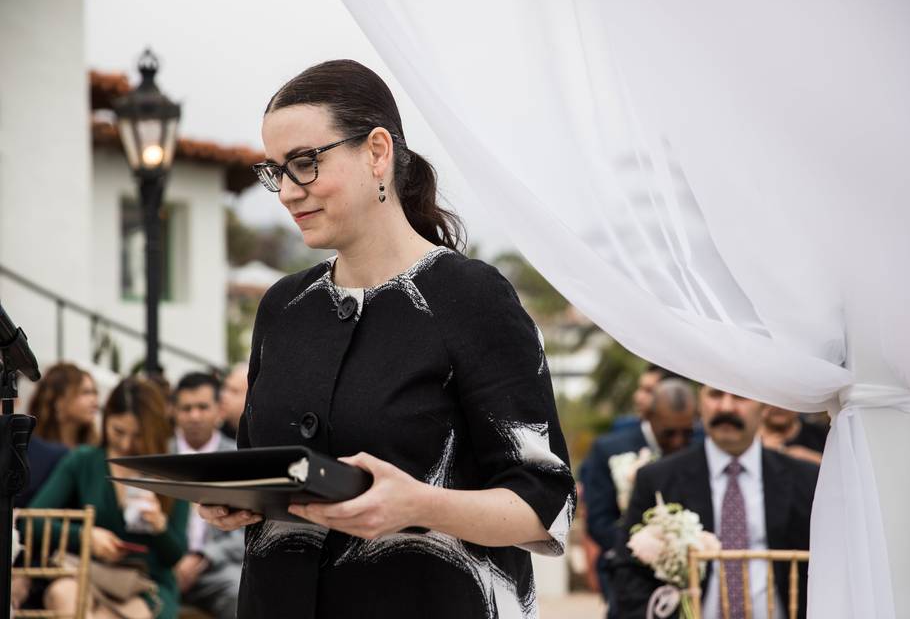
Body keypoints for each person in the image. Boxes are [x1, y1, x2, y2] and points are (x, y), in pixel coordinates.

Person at [198, 59, 576, 619]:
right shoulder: (282, 307)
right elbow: (270, 469)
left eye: (303, 163)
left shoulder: (472, 297)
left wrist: (421, 505)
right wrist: (238, 501)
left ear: (377, 152)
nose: (285, 192)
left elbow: (547, 505)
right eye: (275, 170)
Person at [612, 386, 819, 619]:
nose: (726, 407)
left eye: (740, 395)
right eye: (716, 394)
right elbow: (628, 573)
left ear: (764, 405)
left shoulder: (807, 480)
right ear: (701, 403)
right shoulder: (658, 480)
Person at [29, 377, 189, 619]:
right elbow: (33, 520)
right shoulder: (84, 461)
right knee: (64, 595)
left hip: (146, 585)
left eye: (137, 436)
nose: (126, 444)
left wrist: (160, 527)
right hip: (88, 573)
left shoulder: (172, 472)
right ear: (105, 422)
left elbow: (175, 556)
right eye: (118, 432)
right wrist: (85, 536)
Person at [581, 377, 697, 617]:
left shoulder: (701, 445)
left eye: (687, 433)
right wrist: (651, 552)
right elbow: (598, 521)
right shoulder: (608, 449)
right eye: (670, 433)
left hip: (695, 577)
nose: (679, 442)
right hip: (630, 578)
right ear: (649, 417)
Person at [170, 372, 242, 619]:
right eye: (186, 408)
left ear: (219, 410)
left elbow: (248, 530)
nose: (194, 416)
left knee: (241, 592)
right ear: (174, 411)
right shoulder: (159, 452)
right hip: (165, 565)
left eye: (202, 407)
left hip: (217, 569)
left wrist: (204, 556)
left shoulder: (238, 457)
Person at [19, 363, 99, 506]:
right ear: (59, 400)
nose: (94, 400)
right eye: (85, 392)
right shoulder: (31, 448)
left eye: (94, 392)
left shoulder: (94, 449)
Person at [759, 405, 827, 464]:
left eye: (787, 400)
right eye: (773, 400)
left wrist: (812, 459)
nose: (779, 407)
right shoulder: (751, 439)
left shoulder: (820, 435)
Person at [217, 363, 247, 440]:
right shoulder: (214, 437)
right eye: (224, 388)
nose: (222, 395)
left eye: (234, 391)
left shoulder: (259, 439)